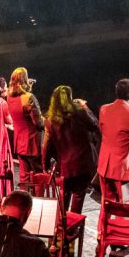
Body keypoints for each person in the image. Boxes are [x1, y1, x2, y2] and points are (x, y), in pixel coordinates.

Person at [43, 85, 99, 214]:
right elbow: (94, 125)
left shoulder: (50, 120)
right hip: (83, 163)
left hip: (64, 165)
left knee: (64, 197)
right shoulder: (79, 112)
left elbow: (47, 145)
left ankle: (62, 228)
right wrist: (85, 106)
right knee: (78, 197)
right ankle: (73, 227)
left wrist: (45, 165)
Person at [97, 78, 129, 203]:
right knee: (124, 209)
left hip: (105, 167)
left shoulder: (103, 109)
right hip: (123, 170)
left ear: (116, 92)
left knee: (106, 207)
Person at [7, 67, 45, 176]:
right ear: (24, 79)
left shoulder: (9, 98)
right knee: (38, 176)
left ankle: (24, 194)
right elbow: (39, 123)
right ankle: (37, 194)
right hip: (32, 143)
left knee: (25, 176)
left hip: (19, 143)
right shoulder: (29, 98)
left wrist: (28, 86)